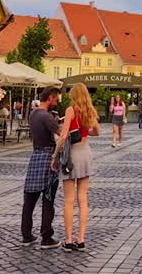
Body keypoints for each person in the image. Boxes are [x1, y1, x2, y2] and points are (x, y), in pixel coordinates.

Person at [51, 84, 100, 252]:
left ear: (74, 95)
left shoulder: (71, 110)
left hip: (72, 155)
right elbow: (96, 132)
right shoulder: (90, 110)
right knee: (83, 199)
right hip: (86, 153)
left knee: (69, 200)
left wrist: (54, 156)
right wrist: (83, 131)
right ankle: (81, 239)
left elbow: (63, 135)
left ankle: (69, 239)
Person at [21, 87, 62, 250]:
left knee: (29, 199)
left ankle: (26, 235)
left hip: (35, 155)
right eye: (56, 99)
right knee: (48, 198)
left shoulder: (33, 114)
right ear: (50, 98)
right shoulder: (47, 116)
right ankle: (47, 236)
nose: (57, 102)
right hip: (47, 157)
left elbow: (46, 128)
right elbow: (61, 133)